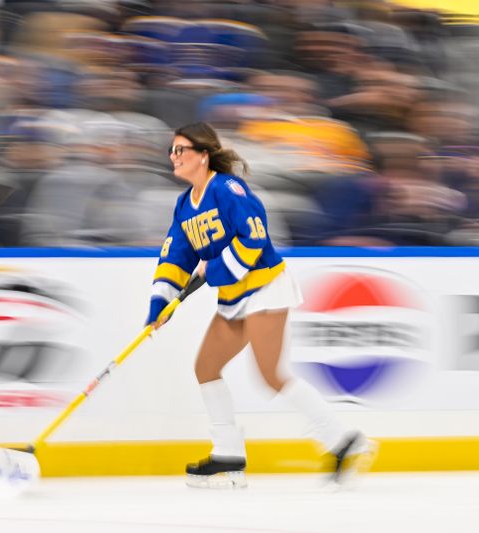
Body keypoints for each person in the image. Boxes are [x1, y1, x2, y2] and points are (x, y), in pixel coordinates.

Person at [146, 122, 373, 488]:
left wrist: (216, 268)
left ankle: (343, 441)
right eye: (171, 150)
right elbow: (176, 255)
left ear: (203, 156)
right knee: (206, 367)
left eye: (181, 150)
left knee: (270, 374)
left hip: (265, 286)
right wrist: (161, 301)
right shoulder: (184, 205)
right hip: (235, 295)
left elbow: (254, 237)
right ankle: (228, 455)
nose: (173, 156)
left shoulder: (227, 188)